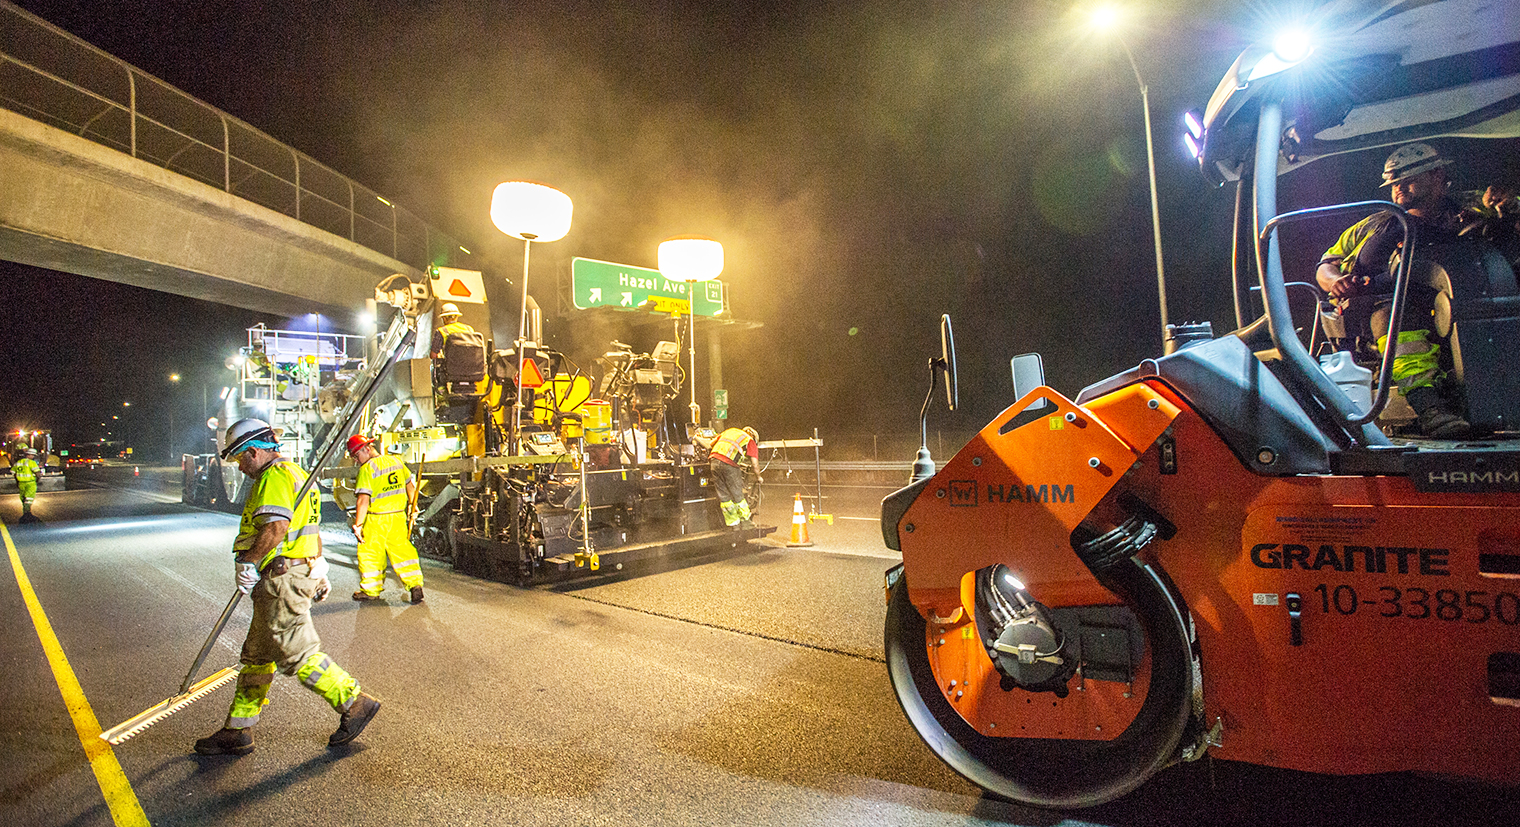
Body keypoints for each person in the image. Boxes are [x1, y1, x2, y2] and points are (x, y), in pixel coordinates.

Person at [194, 418, 381, 756]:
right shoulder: (298, 474)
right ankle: (238, 730)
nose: (240, 467)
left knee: (298, 653)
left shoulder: (273, 476)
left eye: (240, 459)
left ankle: (354, 703)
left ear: (254, 451)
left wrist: (248, 561)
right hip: (293, 572)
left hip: (280, 580)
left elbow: (276, 527)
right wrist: (317, 566)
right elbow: (309, 527)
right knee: (256, 657)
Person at [1315, 142, 1474, 438]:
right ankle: (1430, 407)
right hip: (1379, 307)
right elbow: (1326, 264)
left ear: (1437, 175)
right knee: (1395, 316)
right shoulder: (1373, 225)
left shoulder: (1467, 211)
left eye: (1408, 179)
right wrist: (1336, 281)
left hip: (1458, 298)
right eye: (1393, 183)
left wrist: (1503, 206)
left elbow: (1504, 212)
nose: (1398, 188)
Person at [346, 434, 424, 603]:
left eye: (356, 455)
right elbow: (409, 485)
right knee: (403, 551)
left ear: (367, 449)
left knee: (370, 554)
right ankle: (415, 585)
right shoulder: (396, 461)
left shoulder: (367, 469)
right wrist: (413, 504)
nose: (356, 461)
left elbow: (363, 500)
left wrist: (358, 525)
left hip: (376, 520)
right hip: (397, 518)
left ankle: (371, 590)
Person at [430, 303, 485, 426]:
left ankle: (443, 401)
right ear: (456, 317)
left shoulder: (441, 331)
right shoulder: (469, 330)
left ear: (444, 318)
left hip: (451, 374)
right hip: (473, 374)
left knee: (435, 368)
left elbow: (433, 355)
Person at [708, 426, 762, 529]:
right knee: (737, 495)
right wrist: (759, 477)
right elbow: (755, 464)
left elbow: (711, 444)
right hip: (729, 464)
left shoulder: (731, 430)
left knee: (724, 497)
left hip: (714, 462)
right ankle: (746, 522)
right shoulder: (750, 440)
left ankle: (733, 524)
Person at [12, 448, 39, 516]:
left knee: (23, 497)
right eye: (33, 455)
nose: (33, 457)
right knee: (29, 498)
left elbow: (14, 473)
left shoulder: (18, 462)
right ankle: (27, 513)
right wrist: (37, 480)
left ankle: (25, 511)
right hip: (30, 483)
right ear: (30, 455)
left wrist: (17, 482)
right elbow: (38, 473)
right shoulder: (31, 462)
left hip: (21, 483)